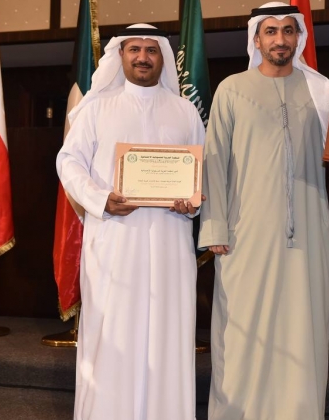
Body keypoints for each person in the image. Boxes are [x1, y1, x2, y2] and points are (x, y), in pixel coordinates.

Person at [198, 2, 329, 419]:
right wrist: (214, 227)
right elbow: (214, 161)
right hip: (244, 233)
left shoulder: (320, 91)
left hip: (307, 231)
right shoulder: (232, 89)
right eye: (270, 31)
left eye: (288, 30)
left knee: (301, 330)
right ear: (256, 39)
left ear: (298, 37)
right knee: (242, 332)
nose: (280, 39)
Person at [57, 24, 205, 420]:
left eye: (151, 50)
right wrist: (100, 198)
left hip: (171, 245)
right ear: (120, 55)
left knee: (167, 337)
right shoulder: (96, 108)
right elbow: (68, 162)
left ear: (162, 57)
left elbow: (200, 171)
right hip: (114, 244)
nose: (143, 57)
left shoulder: (185, 111)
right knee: (113, 336)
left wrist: (191, 203)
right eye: (134, 49)